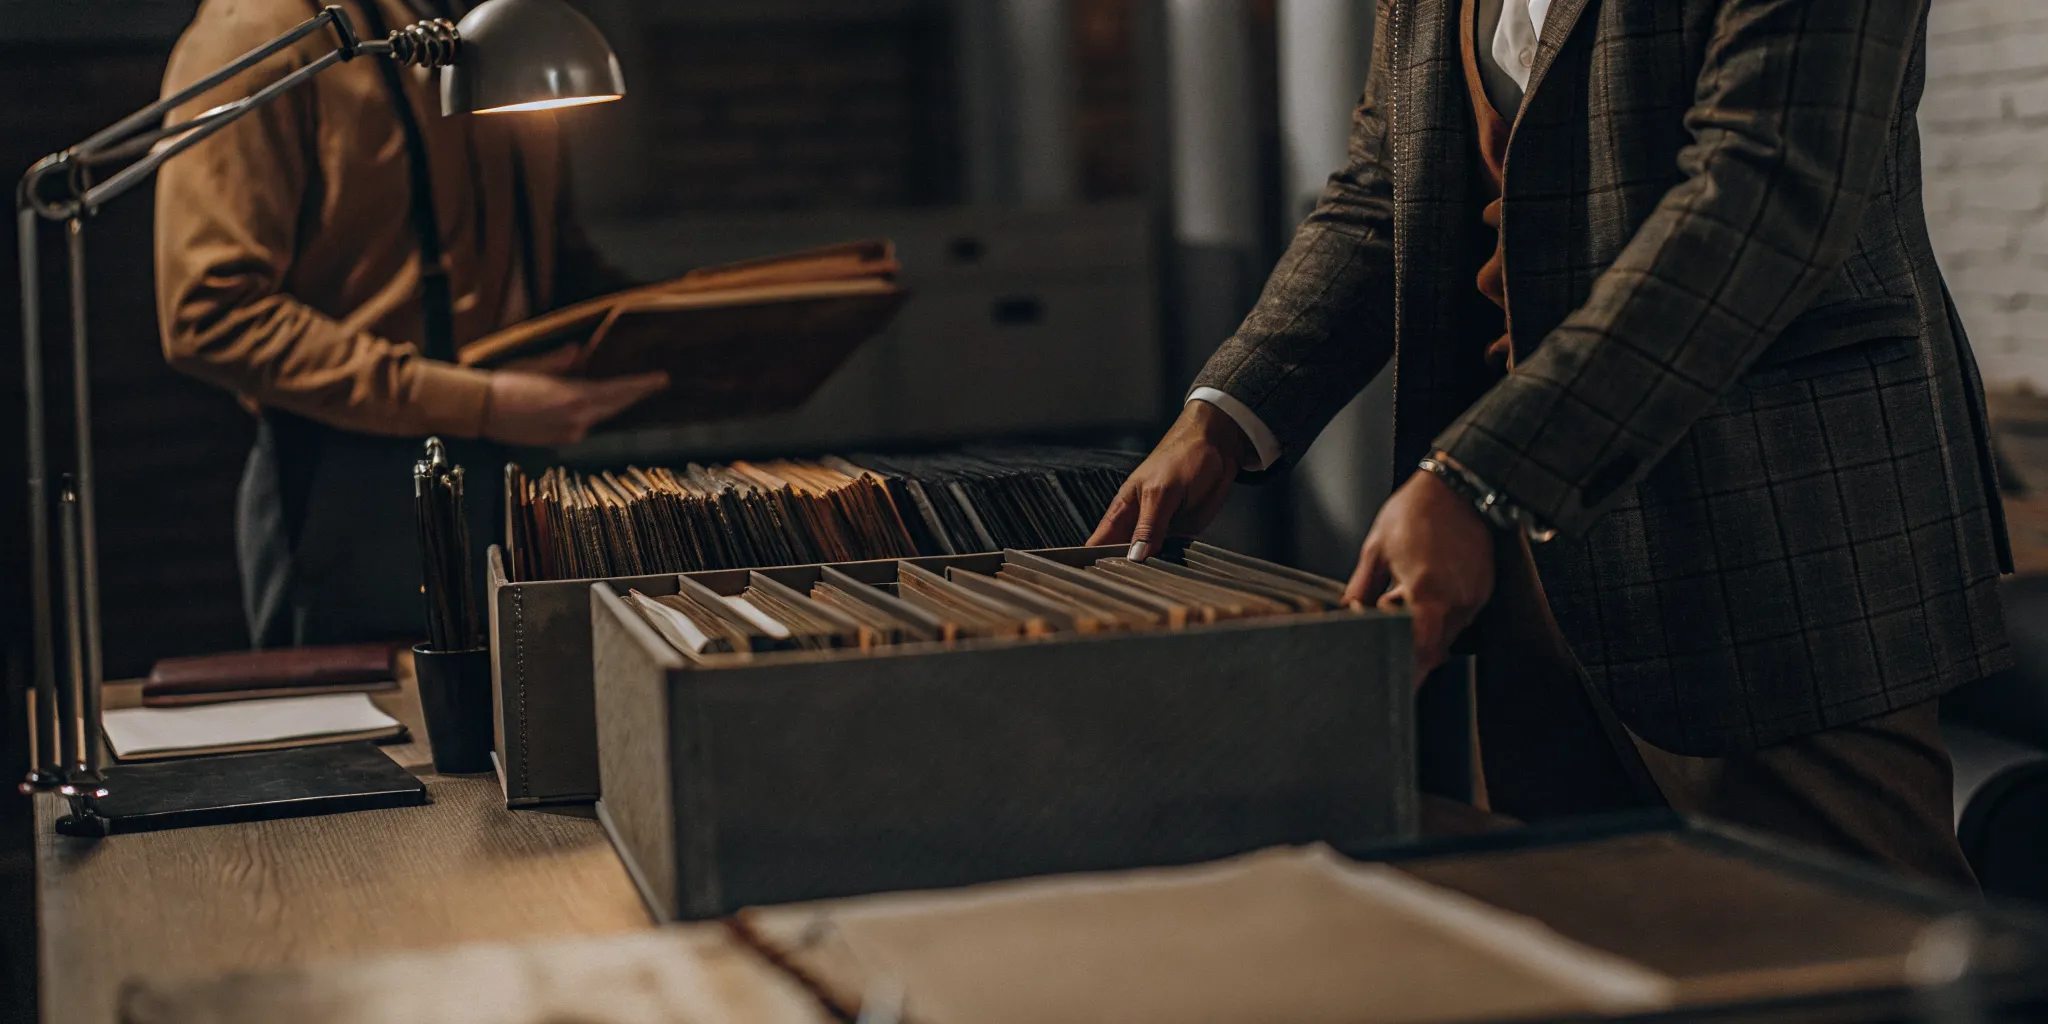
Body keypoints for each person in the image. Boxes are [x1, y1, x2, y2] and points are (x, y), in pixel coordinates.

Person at [1092, 0, 2009, 886]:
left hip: (1778, 529)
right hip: (1533, 551)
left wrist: (1477, 474)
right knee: (1578, 932)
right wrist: (1222, 410)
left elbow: (1766, 192)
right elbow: (1386, 188)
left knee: (1870, 960)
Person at [155, 0, 666, 648]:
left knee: (536, 729)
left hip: (522, 463)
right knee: (372, 742)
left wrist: (692, 326)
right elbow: (209, 312)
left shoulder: (512, 29)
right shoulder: (264, 30)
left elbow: (550, 258)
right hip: (354, 490)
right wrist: (479, 404)